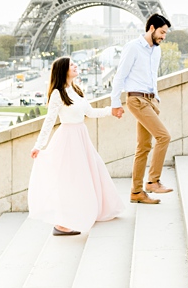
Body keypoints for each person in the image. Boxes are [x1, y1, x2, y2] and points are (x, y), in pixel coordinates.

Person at [29, 57, 126, 236]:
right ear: (63, 70)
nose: (75, 66)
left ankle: (93, 211)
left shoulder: (76, 90)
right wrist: (39, 145)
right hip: (68, 139)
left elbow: (90, 112)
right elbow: (49, 120)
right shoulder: (58, 94)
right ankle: (61, 225)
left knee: (93, 170)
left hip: (81, 137)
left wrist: (110, 111)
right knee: (71, 178)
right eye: (71, 64)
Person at [113, 14, 174, 204]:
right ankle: (153, 181)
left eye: (165, 34)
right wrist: (115, 102)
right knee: (164, 136)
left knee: (143, 147)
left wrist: (155, 97)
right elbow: (120, 75)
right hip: (136, 100)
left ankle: (136, 192)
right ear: (152, 28)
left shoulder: (156, 51)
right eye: (162, 32)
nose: (163, 37)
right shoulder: (133, 47)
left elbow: (152, 75)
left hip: (149, 101)